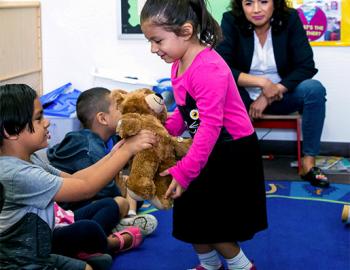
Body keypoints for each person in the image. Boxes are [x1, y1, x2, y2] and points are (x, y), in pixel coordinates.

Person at [140, 1, 267, 270]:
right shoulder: (177, 63)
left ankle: (243, 266)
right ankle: (210, 265)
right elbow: (186, 112)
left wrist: (185, 172)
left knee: (214, 223)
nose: (153, 49)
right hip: (205, 147)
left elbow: (209, 125)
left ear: (186, 31)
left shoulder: (209, 68)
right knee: (192, 214)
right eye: (150, 41)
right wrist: (163, 132)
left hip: (231, 152)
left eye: (157, 40)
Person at [0, 83, 156, 269]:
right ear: (11, 131)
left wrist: (116, 153)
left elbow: (75, 179)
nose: (47, 122)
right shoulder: (16, 174)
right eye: (39, 118)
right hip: (20, 263)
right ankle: (106, 243)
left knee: (96, 262)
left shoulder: (29, 158)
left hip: (39, 251)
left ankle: (97, 246)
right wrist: (128, 150)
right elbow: (85, 188)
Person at [215, 0, 329, 188]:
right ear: (241, 6)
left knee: (314, 89)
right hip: (242, 95)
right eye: (249, 3)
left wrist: (269, 93)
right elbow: (222, 68)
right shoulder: (231, 21)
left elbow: (306, 66)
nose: (257, 9)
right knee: (219, 92)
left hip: (281, 94)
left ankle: (308, 164)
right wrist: (262, 83)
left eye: (264, 2)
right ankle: (230, 163)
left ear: (275, 3)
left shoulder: (290, 19)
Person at [47, 87, 158, 236]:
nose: (126, 111)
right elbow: (102, 188)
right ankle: (118, 223)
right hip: (74, 206)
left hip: (93, 194)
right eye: (120, 107)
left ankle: (129, 216)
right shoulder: (88, 145)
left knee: (134, 189)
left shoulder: (109, 137)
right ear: (103, 119)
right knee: (120, 201)